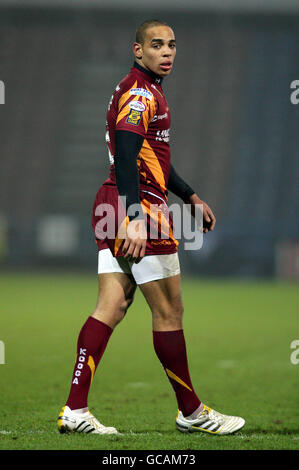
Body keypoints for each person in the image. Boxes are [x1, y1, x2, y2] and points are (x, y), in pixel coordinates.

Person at [57, 19, 245, 436]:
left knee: (111, 307)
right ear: (137, 50)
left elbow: (150, 156)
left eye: (172, 45)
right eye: (157, 44)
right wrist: (136, 216)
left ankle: (75, 409)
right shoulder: (143, 93)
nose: (167, 52)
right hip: (138, 205)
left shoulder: (141, 89)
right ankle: (192, 412)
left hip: (115, 200)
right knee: (169, 310)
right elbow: (126, 154)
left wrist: (190, 195)